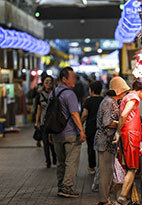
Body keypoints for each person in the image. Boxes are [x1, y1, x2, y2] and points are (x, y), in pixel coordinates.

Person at [50, 67, 86, 198]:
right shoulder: (69, 94)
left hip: (56, 134)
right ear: (64, 79)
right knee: (71, 161)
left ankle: (61, 185)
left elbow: (49, 115)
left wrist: (49, 132)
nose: (74, 80)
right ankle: (67, 187)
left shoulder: (53, 93)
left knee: (60, 161)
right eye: (72, 77)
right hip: (70, 133)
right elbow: (75, 113)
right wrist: (81, 131)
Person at [114, 78, 142, 205]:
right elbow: (124, 115)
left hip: (129, 135)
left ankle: (127, 196)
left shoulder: (128, 96)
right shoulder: (133, 98)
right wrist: (118, 131)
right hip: (131, 135)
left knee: (130, 167)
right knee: (133, 168)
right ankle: (123, 197)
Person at [95, 77, 130, 205]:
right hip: (104, 142)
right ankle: (104, 201)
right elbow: (107, 122)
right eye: (124, 90)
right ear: (118, 90)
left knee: (109, 172)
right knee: (105, 173)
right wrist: (122, 123)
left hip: (108, 143)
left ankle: (107, 199)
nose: (125, 93)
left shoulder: (113, 101)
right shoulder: (109, 102)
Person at [81, 81, 104, 175]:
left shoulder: (88, 101)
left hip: (90, 128)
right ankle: (102, 166)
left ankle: (92, 167)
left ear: (91, 90)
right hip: (101, 128)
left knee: (91, 148)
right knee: (102, 148)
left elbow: (85, 114)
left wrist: (80, 124)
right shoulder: (103, 100)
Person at [35, 75, 57, 168]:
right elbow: (38, 109)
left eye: (50, 81)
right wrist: (36, 122)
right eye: (46, 82)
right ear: (43, 83)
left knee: (53, 142)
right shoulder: (40, 95)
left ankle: (55, 158)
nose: (48, 84)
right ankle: (48, 161)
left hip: (53, 122)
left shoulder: (55, 94)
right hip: (44, 122)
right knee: (45, 142)